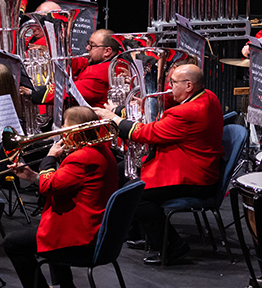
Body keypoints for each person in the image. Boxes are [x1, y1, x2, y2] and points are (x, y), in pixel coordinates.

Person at [93, 64, 223, 265]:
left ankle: (172, 246)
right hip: (194, 162)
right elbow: (170, 105)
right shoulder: (207, 96)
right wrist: (135, 105)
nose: (169, 87)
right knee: (121, 171)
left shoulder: (185, 113)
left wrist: (115, 119)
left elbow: (145, 134)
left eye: (173, 83)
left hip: (196, 176)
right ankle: (137, 232)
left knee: (137, 195)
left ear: (189, 85)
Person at [5, 107, 117, 288]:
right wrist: (34, 175)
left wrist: (48, 159)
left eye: (64, 125)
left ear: (75, 130)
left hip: (80, 238)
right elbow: (62, 184)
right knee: (44, 225)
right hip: (94, 228)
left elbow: (49, 187)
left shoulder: (81, 158)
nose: (60, 130)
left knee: (13, 243)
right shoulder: (102, 149)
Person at [68, 29, 120, 107]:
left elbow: (69, 92)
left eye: (92, 45)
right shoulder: (115, 59)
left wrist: (43, 91)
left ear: (107, 51)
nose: (87, 47)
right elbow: (79, 63)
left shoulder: (97, 74)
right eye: (88, 43)